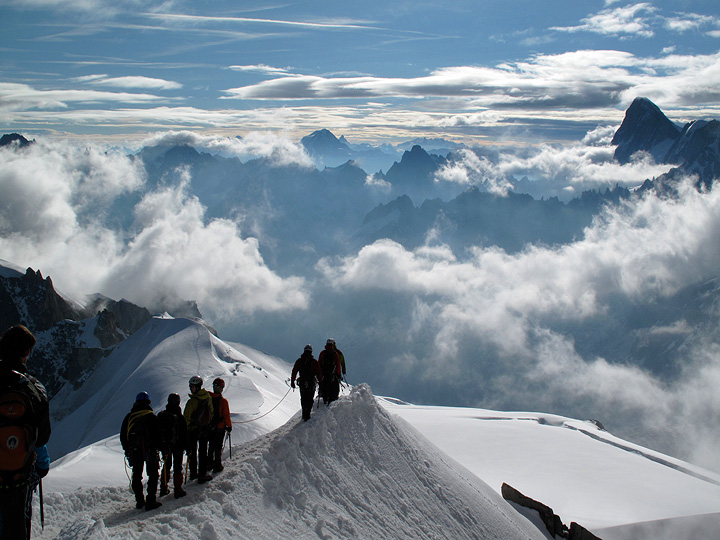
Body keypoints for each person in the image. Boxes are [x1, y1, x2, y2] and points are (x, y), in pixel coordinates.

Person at [0, 325, 51, 540]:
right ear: (26, 352)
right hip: (20, 476)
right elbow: (42, 436)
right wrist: (42, 465)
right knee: (17, 525)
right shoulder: (32, 387)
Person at [120, 392, 162, 511]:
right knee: (153, 474)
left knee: (137, 474)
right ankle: (151, 500)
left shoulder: (130, 417)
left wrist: (127, 450)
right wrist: (159, 448)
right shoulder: (151, 416)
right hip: (150, 450)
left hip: (135, 450)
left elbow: (123, 435)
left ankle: (139, 501)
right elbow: (158, 435)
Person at [157, 393, 187, 498]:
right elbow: (184, 433)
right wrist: (186, 446)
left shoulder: (162, 415)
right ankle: (178, 490)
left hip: (165, 446)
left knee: (166, 466)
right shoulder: (180, 417)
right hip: (178, 446)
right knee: (177, 467)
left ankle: (163, 488)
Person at [184, 376, 213, 483]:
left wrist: (187, 430)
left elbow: (186, 417)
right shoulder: (207, 397)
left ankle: (193, 473)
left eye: (191, 387)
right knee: (203, 451)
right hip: (204, 429)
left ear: (196, 387)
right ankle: (202, 474)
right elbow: (211, 412)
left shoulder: (192, 402)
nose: (190, 388)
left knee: (192, 452)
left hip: (193, 430)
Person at [291, 345, 323, 421]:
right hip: (311, 383)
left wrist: (292, 381)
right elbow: (318, 373)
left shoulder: (299, 361)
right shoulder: (314, 362)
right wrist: (321, 382)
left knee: (303, 398)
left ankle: (304, 413)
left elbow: (294, 371)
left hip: (302, 382)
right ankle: (307, 413)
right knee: (310, 398)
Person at [208, 378, 232, 473]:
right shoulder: (223, 401)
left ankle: (209, 463)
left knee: (211, 445)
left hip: (210, 427)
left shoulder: (208, 398)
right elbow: (226, 415)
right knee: (218, 446)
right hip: (220, 427)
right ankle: (217, 465)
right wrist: (229, 426)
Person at [318, 339, 342, 404]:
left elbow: (319, 364)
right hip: (332, 375)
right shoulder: (335, 354)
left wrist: (319, 374)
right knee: (334, 388)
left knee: (324, 387)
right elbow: (338, 365)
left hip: (324, 375)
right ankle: (332, 399)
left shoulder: (322, 353)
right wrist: (339, 374)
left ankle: (324, 397)